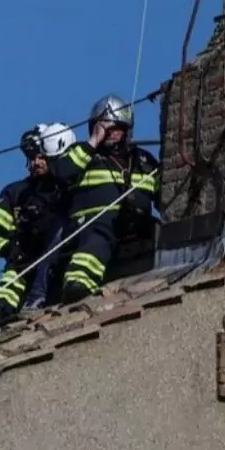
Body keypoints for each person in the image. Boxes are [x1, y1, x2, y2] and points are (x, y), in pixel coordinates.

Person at [54, 94, 159, 305]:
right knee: (99, 231)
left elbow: (166, 196)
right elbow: (62, 172)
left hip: (133, 227)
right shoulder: (83, 154)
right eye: (104, 128)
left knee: (160, 230)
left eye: (116, 128)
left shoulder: (144, 161)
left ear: (126, 129)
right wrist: (93, 142)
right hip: (90, 227)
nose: (111, 133)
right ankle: (78, 282)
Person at [0, 123, 76, 331]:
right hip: (22, 263)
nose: (36, 162)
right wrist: (11, 249)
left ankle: (36, 297)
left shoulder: (68, 186)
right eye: (32, 158)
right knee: (9, 284)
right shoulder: (15, 193)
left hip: (59, 261)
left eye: (41, 157)